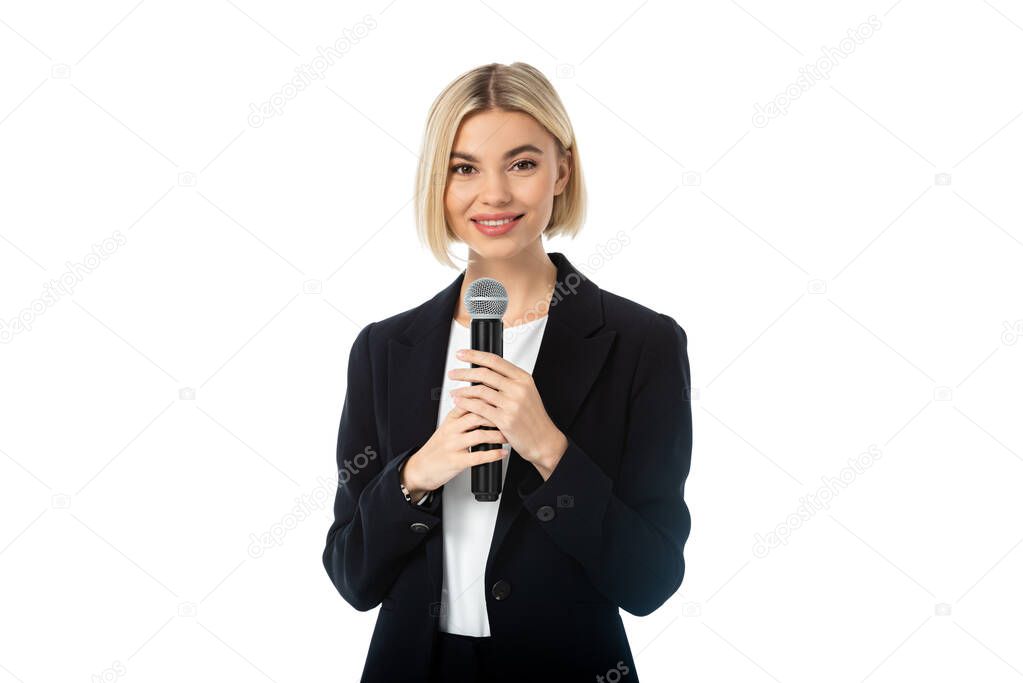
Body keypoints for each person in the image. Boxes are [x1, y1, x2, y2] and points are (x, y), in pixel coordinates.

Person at [322, 62, 693, 682]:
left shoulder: (641, 344)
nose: (492, 195)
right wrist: (416, 474)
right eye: (464, 168)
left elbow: (650, 580)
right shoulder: (384, 348)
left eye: (521, 164)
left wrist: (550, 449)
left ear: (561, 171)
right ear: (438, 183)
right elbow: (353, 575)